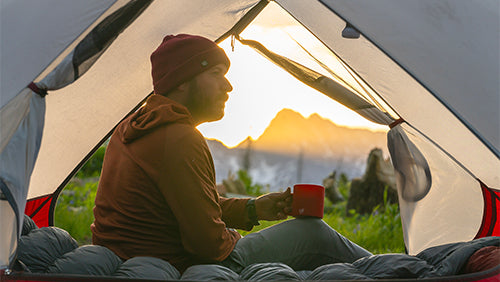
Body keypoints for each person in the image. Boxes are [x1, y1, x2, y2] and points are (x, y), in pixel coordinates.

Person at [91, 34, 371, 274]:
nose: (228, 86)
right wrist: (236, 238)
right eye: (215, 74)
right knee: (313, 233)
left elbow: (189, 206)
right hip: (181, 265)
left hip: (128, 256)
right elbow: (208, 246)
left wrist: (253, 209)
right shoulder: (180, 138)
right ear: (181, 82)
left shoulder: (133, 127)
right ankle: (397, 271)